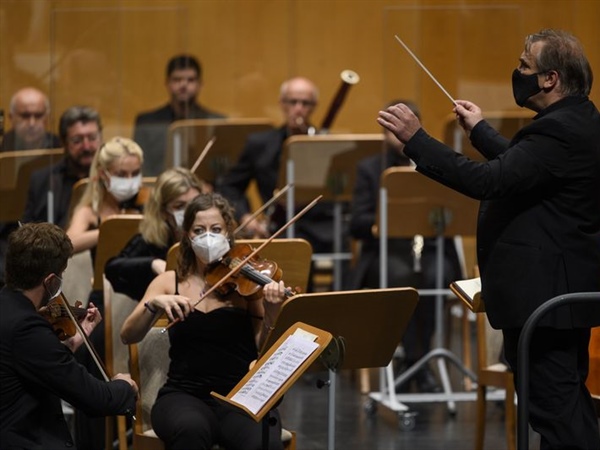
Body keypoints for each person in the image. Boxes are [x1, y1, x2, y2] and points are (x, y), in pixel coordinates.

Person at [377, 29, 600, 449]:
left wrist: (417, 141)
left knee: (559, 414)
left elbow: (490, 180)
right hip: (561, 296)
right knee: (566, 406)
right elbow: (523, 168)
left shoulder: (556, 131)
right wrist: (479, 130)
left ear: (549, 79)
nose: (516, 73)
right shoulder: (579, 119)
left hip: (546, 299)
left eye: (523, 66)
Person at [120, 192, 288, 450]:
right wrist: (154, 305)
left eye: (216, 229)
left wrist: (272, 311)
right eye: (199, 230)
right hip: (184, 395)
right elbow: (128, 335)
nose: (208, 236)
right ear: (187, 235)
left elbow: (261, 346)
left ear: (228, 232)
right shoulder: (168, 281)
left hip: (238, 397)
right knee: (191, 431)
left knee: (260, 441)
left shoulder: (245, 286)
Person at [349, 100, 460, 393]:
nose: (398, 136)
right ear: (383, 132)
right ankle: (416, 363)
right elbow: (356, 222)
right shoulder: (370, 169)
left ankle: (415, 360)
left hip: (431, 251)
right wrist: (385, 221)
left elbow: (452, 215)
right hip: (386, 252)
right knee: (402, 279)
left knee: (438, 276)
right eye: (391, 130)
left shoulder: (435, 163)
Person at [0, 222, 138, 449]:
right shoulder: (27, 328)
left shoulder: (8, 308)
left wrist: (71, 344)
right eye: (62, 274)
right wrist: (124, 385)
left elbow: (41, 366)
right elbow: (94, 399)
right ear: (51, 281)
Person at [218, 77, 335, 255]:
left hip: (320, 228)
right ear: (281, 104)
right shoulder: (259, 144)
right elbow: (229, 186)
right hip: (277, 228)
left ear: (314, 106)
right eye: (293, 102)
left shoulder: (327, 144)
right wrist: (245, 216)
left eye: (305, 103)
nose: (298, 109)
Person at [105, 167, 207, 301]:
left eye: (194, 204)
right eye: (179, 206)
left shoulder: (211, 238)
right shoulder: (150, 240)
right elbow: (112, 267)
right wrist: (152, 263)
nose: (189, 212)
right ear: (163, 211)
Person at [133, 54, 226, 177]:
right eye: (177, 79)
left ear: (200, 84)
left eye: (190, 80)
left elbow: (223, 170)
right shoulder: (147, 122)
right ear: (167, 83)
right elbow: (141, 167)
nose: (183, 85)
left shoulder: (218, 123)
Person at [22, 105, 103, 227]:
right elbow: (27, 230)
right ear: (63, 142)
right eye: (77, 140)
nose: (86, 147)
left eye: (92, 138)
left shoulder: (112, 178)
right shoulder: (42, 180)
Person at [67, 136, 144, 255]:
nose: (129, 180)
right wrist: (109, 231)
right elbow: (68, 245)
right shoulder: (90, 211)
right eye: (121, 174)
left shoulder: (147, 203)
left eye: (135, 173)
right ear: (103, 174)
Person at [0, 87, 60, 151]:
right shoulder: (3, 148)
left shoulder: (60, 148)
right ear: (11, 118)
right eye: (25, 116)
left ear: (47, 119)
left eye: (38, 116)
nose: (32, 123)